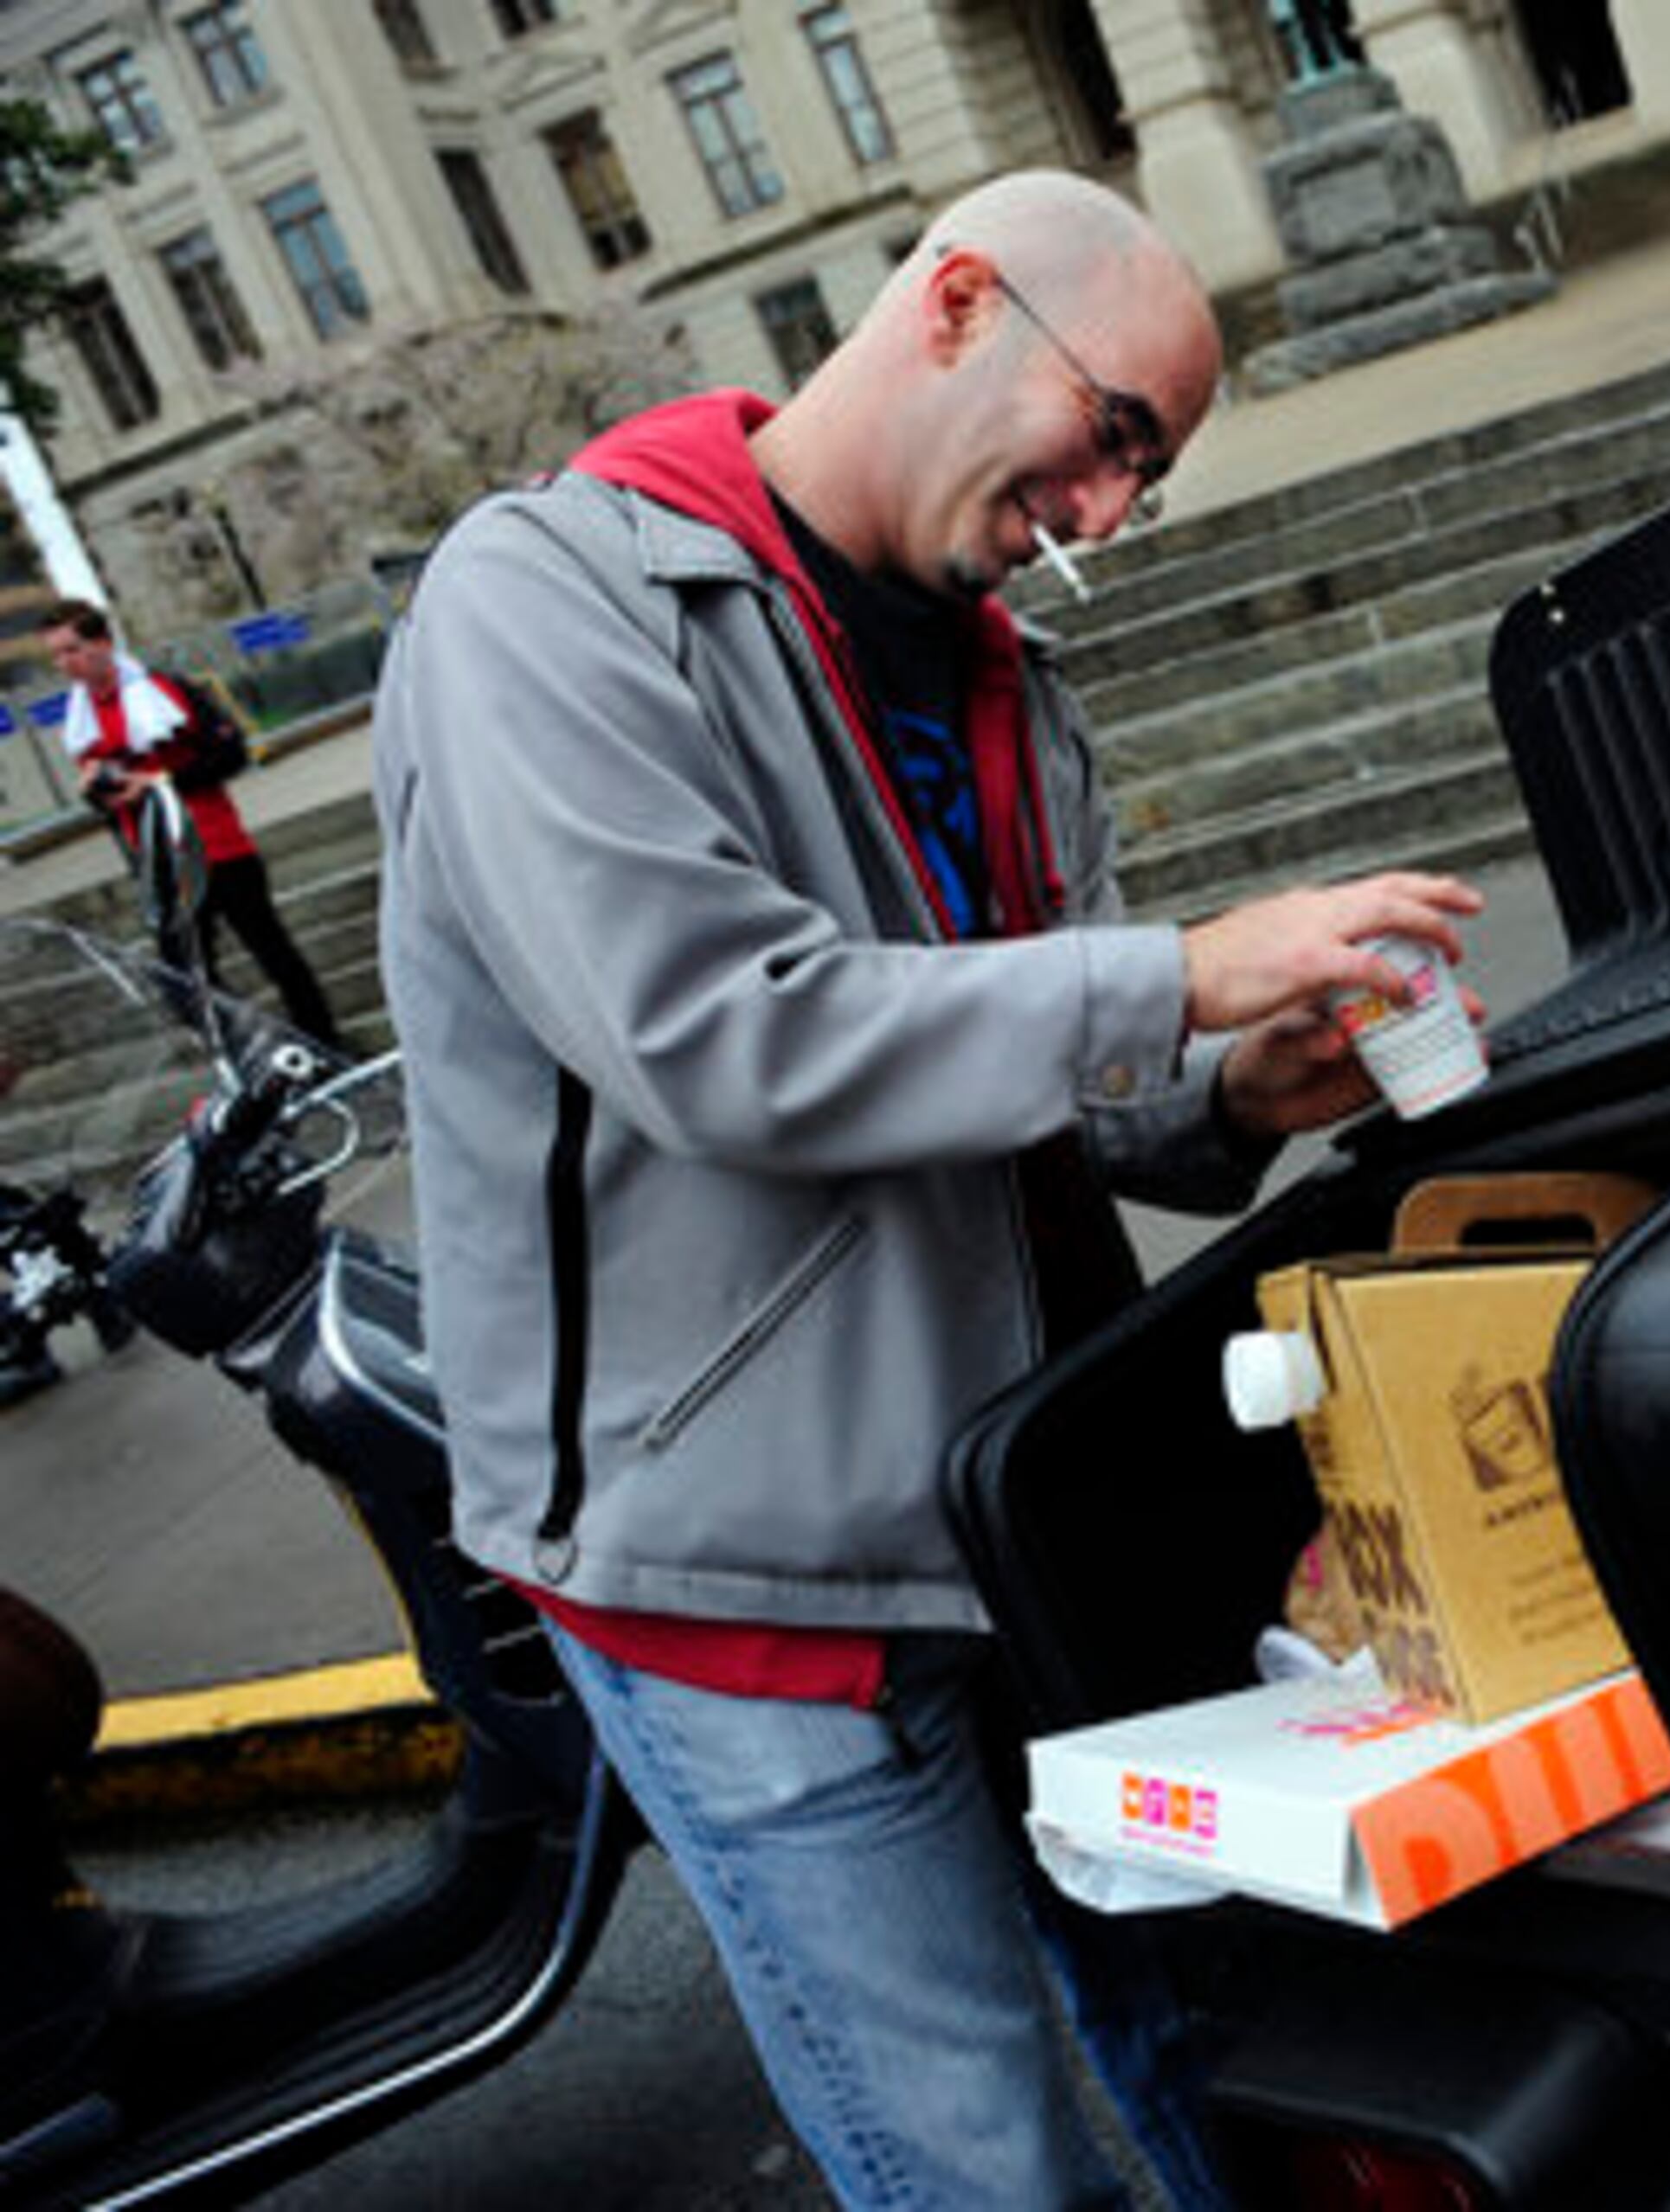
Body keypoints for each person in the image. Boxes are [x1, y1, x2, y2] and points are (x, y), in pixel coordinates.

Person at [372, 170, 1485, 2209]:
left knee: (1227, 2046)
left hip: (1019, 1504)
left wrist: (1237, 1083)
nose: (1109, 513)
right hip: (739, 1568)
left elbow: (1042, 1075)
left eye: (1147, 473)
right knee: (982, 2165)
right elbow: (722, 1034)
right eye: (1116, 432)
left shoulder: (996, 674)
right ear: (959, 302)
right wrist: (1176, 975)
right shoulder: (542, 600)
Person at [45, 601, 345, 1050]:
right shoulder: (80, 720)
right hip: (158, 860)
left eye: (72, 650)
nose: (65, 664)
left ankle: (326, 1046)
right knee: (181, 982)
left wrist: (158, 781)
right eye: (56, 655)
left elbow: (231, 755)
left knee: (274, 954)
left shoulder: (164, 689)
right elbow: (114, 806)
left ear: (104, 643)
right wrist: (96, 791)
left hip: (217, 846)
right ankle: (254, 1052)